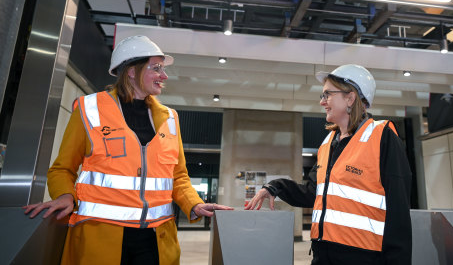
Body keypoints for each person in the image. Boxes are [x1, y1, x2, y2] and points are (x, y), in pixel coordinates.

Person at [23, 35, 233, 265]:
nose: (164, 76)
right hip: (101, 239)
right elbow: (62, 169)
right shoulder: (89, 109)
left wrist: (194, 203)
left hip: (155, 241)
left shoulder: (170, 118)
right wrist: (65, 195)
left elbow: (178, 176)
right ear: (132, 71)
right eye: (157, 68)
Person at [245, 64, 412, 264]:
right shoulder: (328, 143)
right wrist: (276, 187)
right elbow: (314, 193)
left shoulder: (382, 136)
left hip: (363, 258)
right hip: (322, 255)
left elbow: (398, 211)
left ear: (350, 98)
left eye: (327, 95)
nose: (322, 102)